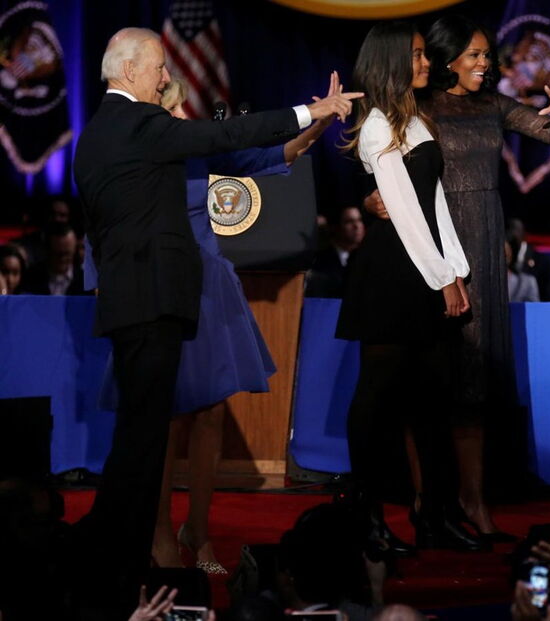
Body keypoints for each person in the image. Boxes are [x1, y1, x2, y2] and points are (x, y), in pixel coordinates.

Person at [72, 26, 360, 617]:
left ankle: (115, 557)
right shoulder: (137, 123)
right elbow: (227, 132)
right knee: (143, 444)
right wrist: (312, 106)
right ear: (128, 71)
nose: (163, 78)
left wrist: (312, 125)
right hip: (150, 299)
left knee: (142, 440)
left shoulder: (104, 131)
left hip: (143, 300)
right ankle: (116, 566)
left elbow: (236, 151)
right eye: (157, 68)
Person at [364, 14, 550, 540]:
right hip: (430, 244)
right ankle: (424, 497)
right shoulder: (417, 106)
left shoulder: (493, 106)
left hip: (479, 244)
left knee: (473, 383)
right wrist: (373, 201)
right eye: (477, 55)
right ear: (448, 57)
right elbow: (391, 174)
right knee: (428, 379)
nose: (486, 64)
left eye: (488, 55)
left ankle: (472, 499)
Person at [337, 21, 479, 551]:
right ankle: (365, 521)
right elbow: (401, 211)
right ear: (391, 62)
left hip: (428, 270)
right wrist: (442, 277)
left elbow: (435, 203)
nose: (426, 64)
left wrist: (456, 267)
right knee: (375, 403)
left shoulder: (415, 120)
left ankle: (434, 513)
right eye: (417, 56)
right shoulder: (376, 126)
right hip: (392, 278)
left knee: (433, 401)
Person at [305, 204, 365, 297]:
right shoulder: (320, 261)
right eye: (349, 221)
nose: (357, 226)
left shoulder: (366, 258)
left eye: (359, 220)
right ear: (335, 227)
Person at [21, 222, 89, 296]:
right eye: (58, 254)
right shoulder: (31, 278)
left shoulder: (85, 282)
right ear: (47, 250)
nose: (63, 258)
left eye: (67, 253)